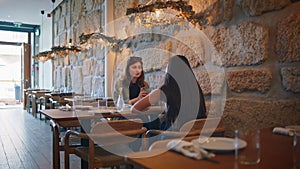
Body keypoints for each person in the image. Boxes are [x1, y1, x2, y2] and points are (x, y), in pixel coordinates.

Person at [131, 55, 206, 131]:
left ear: (170, 70)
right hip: (197, 135)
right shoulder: (195, 88)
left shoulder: (165, 90)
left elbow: (134, 109)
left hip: (174, 137)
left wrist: (146, 115)